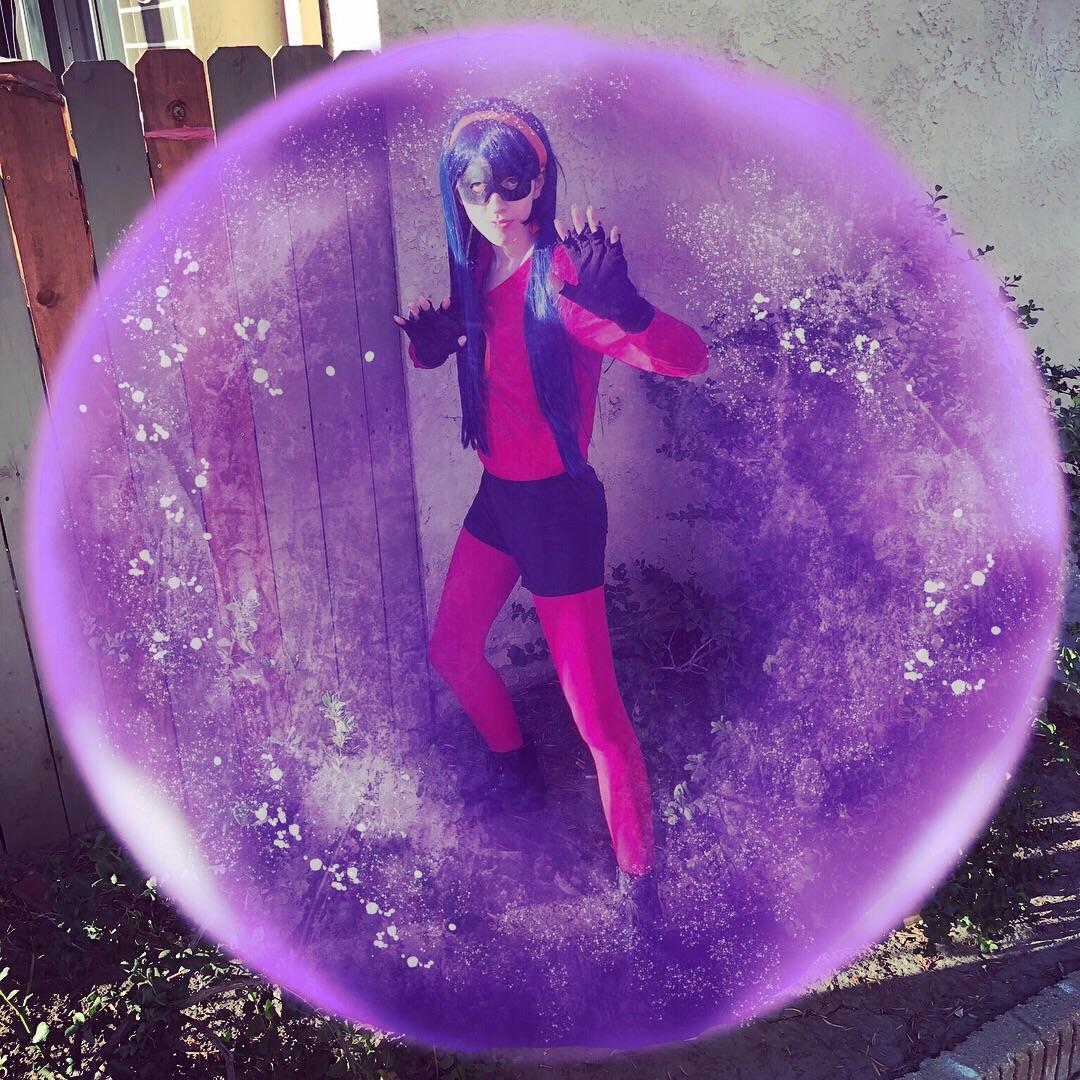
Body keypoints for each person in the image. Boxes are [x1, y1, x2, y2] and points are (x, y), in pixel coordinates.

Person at [392, 97, 708, 933]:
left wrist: (629, 308)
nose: (497, 203)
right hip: (499, 498)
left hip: (559, 511)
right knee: (452, 651)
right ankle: (516, 772)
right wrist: (434, 348)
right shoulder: (476, 269)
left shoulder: (564, 276)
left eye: (513, 183)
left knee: (597, 718)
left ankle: (643, 893)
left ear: (540, 182)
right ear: (456, 195)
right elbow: (480, 356)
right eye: (476, 188)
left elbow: (690, 359)